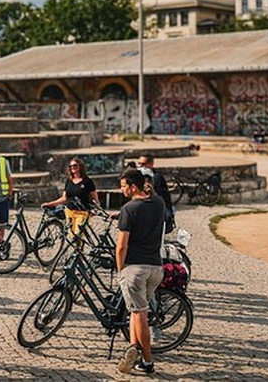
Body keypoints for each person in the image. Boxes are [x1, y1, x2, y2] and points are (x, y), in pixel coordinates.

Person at [115, 168, 166, 375]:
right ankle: (133, 350)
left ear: (133, 187)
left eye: (123, 186)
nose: (121, 190)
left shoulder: (129, 209)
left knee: (140, 314)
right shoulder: (158, 203)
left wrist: (121, 270)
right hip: (156, 267)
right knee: (135, 313)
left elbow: (121, 247)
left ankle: (148, 361)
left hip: (136, 268)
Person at [41, 157, 98, 236]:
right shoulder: (69, 181)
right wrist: (50, 204)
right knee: (71, 235)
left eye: (75, 165)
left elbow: (95, 198)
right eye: (71, 166)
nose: (72, 168)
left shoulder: (87, 181)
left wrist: (96, 209)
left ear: (80, 166)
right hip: (69, 212)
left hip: (82, 212)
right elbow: (64, 198)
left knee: (78, 235)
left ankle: (79, 248)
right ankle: (77, 248)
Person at [137, 153, 175, 234]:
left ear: (151, 164)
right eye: (139, 163)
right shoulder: (140, 177)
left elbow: (159, 197)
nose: (140, 166)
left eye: (143, 164)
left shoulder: (156, 177)